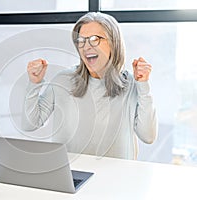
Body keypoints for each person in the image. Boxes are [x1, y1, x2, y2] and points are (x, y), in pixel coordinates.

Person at [21, 12, 157, 159]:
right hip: (73, 175)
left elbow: (148, 137)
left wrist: (143, 86)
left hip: (118, 177)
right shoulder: (63, 80)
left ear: (114, 43)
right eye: (81, 40)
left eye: (94, 39)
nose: (86, 46)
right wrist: (34, 84)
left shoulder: (131, 84)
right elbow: (30, 124)